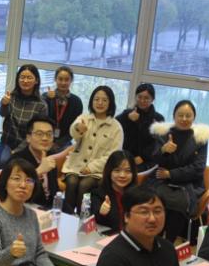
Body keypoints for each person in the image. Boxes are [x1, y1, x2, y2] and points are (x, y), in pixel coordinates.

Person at [150, 99, 209, 244]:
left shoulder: (200, 138)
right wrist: (164, 150)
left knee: (179, 202)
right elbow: (154, 159)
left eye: (188, 115)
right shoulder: (163, 134)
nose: (184, 119)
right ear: (174, 116)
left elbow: (198, 168)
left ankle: (168, 242)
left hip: (189, 184)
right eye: (180, 115)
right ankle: (153, 239)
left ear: (194, 117)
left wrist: (171, 174)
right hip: (162, 181)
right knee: (154, 198)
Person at [61, 85, 123, 214]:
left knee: (85, 185)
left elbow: (113, 156)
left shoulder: (116, 127)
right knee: (72, 182)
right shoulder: (84, 118)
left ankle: (83, 218)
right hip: (76, 166)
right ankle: (67, 216)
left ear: (110, 103)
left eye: (104, 100)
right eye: (96, 99)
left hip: (99, 171)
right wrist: (78, 128)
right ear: (91, 101)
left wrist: (91, 167)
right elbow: (73, 133)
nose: (100, 103)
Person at [8, 115, 61, 210]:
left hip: (48, 212)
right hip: (25, 209)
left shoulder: (50, 157)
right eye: (39, 134)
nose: (45, 138)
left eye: (49, 134)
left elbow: (55, 194)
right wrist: (39, 171)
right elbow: (13, 192)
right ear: (28, 137)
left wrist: (72, 215)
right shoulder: (17, 160)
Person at [0, 64, 44, 166]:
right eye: (22, 77)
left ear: (36, 81)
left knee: (23, 167)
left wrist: (17, 151)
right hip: (7, 143)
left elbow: (36, 133)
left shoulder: (41, 105)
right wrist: (4, 104)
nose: (25, 81)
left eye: (29, 77)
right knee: (2, 161)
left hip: (28, 146)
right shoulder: (11, 97)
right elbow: (2, 113)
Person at [116, 83, 164, 169]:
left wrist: (143, 157)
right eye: (139, 97)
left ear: (152, 99)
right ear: (135, 97)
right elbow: (116, 128)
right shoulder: (127, 113)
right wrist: (127, 118)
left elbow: (157, 144)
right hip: (125, 157)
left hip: (147, 160)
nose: (142, 100)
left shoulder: (158, 118)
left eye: (146, 98)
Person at [43, 66, 84, 151]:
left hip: (64, 142)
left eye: (66, 80)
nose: (63, 82)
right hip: (44, 137)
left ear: (71, 81)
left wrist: (58, 144)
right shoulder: (46, 97)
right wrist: (48, 99)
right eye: (60, 79)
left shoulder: (76, 102)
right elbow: (41, 119)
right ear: (55, 79)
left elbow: (74, 127)